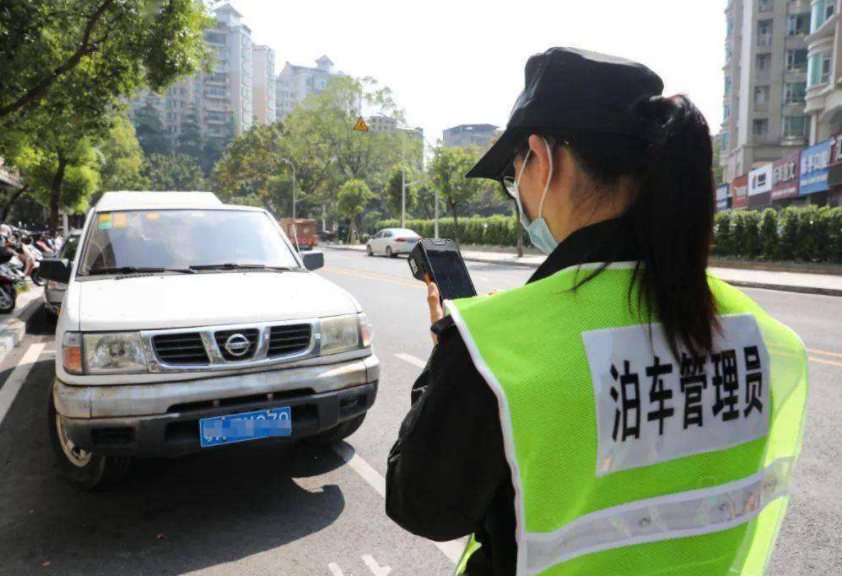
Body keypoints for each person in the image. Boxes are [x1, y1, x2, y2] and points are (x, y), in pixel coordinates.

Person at [385, 48, 808, 576]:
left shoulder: (495, 350)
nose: (517, 189)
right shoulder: (760, 333)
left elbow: (422, 506)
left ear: (543, 157)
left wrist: (460, 353)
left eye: (512, 172)